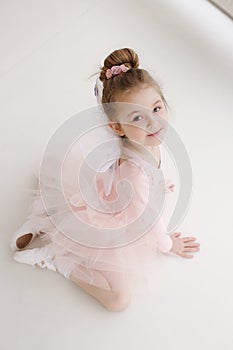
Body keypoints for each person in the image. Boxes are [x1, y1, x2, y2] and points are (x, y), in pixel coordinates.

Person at [10, 47, 200, 312]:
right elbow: (152, 224)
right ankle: (59, 261)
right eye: (137, 117)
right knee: (119, 301)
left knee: (66, 190)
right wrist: (169, 244)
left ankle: (44, 225)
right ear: (117, 127)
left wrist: (156, 184)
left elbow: (148, 169)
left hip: (114, 193)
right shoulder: (135, 174)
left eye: (157, 108)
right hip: (110, 222)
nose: (153, 123)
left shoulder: (142, 143)